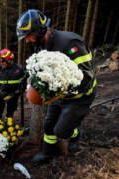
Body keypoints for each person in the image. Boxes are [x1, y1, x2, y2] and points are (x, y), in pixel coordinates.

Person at [16, 9, 96, 162]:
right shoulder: (43, 46)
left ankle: (75, 134)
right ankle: (48, 152)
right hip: (61, 94)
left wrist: (59, 92)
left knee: (61, 130)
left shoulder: (70, 43)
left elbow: (87, 78)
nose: (27, 41)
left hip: (81, 96)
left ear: (38, 30)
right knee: (48, 124)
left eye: (28, 36)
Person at [0, 48, 25, 120]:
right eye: (0, 61)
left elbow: (23, 84)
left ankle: (8, 122)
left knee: (11, 109)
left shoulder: (19, 69)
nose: (1, 63)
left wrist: (14, 94)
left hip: (13, 95)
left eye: (2, 61)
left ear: (9, 60)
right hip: (1, 93)